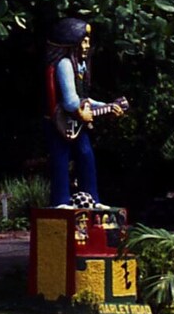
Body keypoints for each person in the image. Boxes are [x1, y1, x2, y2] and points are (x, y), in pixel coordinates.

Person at [44, 16, 128, 207]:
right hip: (60, 121)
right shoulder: (65, 64)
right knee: (61, 158)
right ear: (71, 43)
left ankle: (93, 198)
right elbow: (71, 101)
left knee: (86, 155)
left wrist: (107, 107)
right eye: (83, 41)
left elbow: (85, 101)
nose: (86, 45)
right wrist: (80, 111)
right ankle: (60, 200)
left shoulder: (81, 66)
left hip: (76, 124)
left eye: (88, 41)